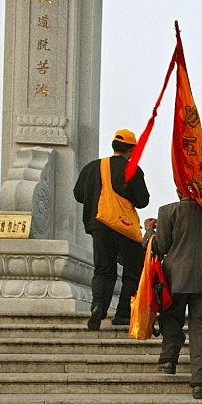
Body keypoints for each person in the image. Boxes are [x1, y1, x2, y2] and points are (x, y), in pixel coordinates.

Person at [150, 193, 202, 399]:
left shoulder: (168, 210)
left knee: (171, 318)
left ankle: (168, 359)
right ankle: (200, 381)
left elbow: (160, 247)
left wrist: (148, 232)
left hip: (176, 276)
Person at [73, 129, 149, 330]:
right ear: (131, 149)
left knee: (103, 269)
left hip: (99, 225)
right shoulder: (132, 169)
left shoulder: (91, 168)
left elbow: (79, 194)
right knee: (132, 271)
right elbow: (142, 201)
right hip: (124, 226)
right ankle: (123, 314)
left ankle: (98, 306)